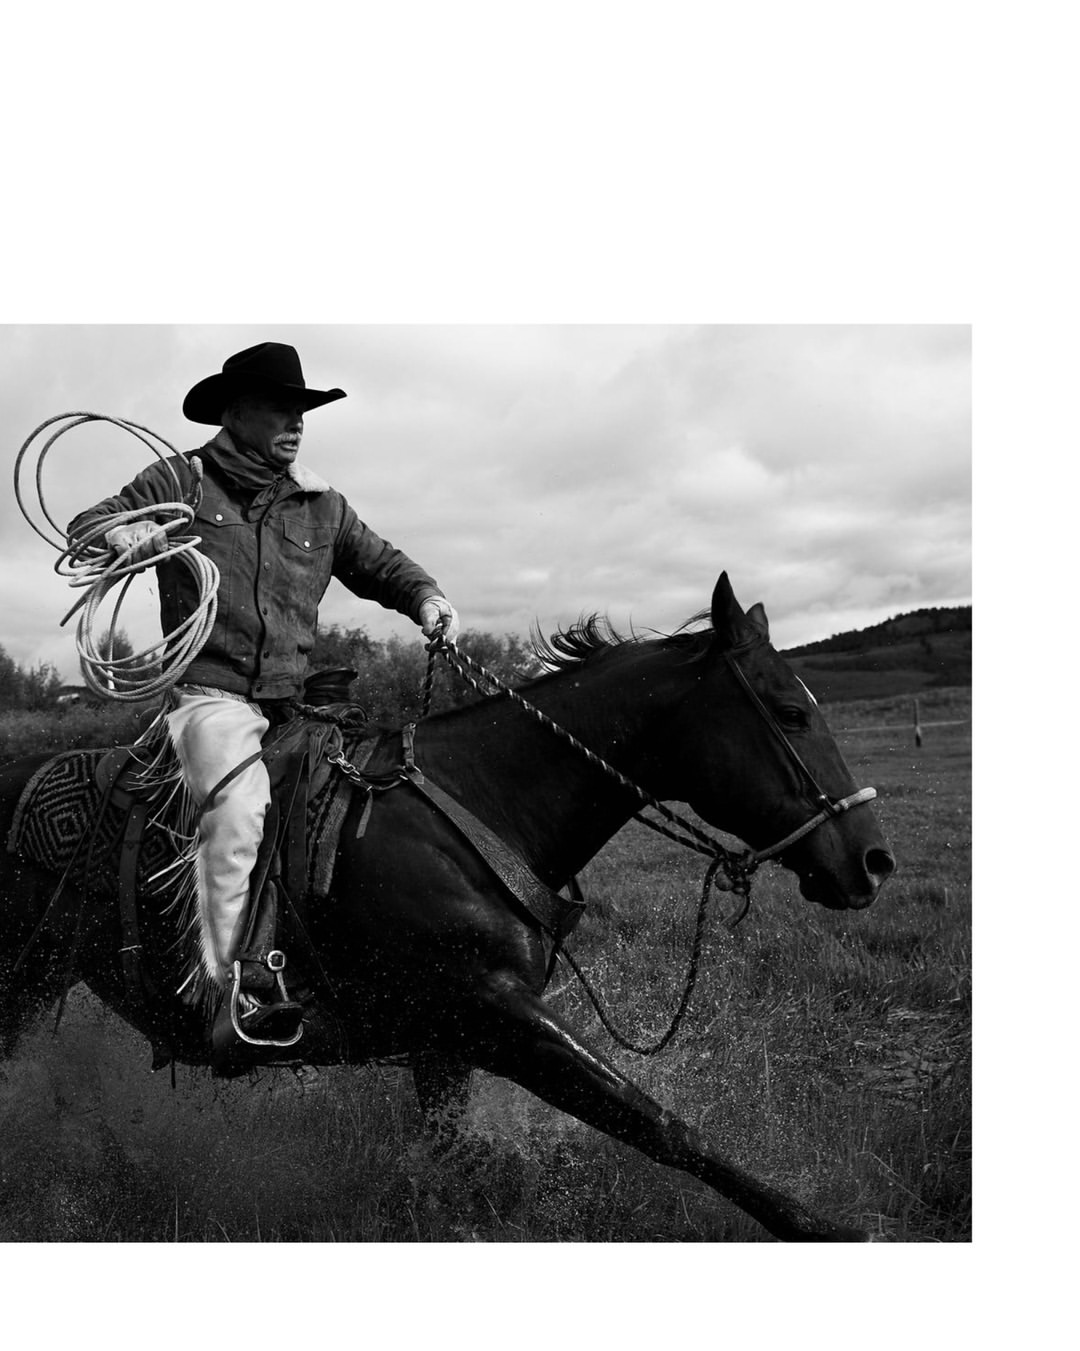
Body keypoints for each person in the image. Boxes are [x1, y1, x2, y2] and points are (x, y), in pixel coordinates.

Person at [68, 341, 459, 1060]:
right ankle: (225, 996)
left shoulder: (321, 503)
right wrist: (126, 531)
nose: (296, 422)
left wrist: (427, 597)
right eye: (281, 408)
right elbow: (88, 527)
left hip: (298, 705)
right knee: (239, 807)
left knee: (375, 806)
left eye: (302, 410)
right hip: (210, 697)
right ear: (235, 411)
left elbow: (381, 564)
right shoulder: (180, 480)